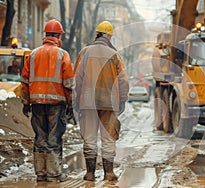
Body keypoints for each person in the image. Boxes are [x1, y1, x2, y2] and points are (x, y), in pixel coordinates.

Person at [20, 19, 75, 182]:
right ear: (58, 35)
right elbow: (69, 84)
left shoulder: (33, 54)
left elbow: (25, 80)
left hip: (36, 103)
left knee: (40, 138)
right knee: (54, 138)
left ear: (45, 35)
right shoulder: (63, 54)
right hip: (56, 104)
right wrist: (71, 105)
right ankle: (53, 173)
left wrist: (25, 102)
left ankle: (41, 173)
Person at [74, 20, 129, 181]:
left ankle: (90, 173)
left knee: (89, 138)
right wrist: (123, 99)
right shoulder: (115, 55)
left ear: (96, 34)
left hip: (88, 102)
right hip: (109, 103)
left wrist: (77, 100)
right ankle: (109, 173)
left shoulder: (85, 52)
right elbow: (123, 80)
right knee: (108, 138)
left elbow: (77, 78)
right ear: (109, 37)